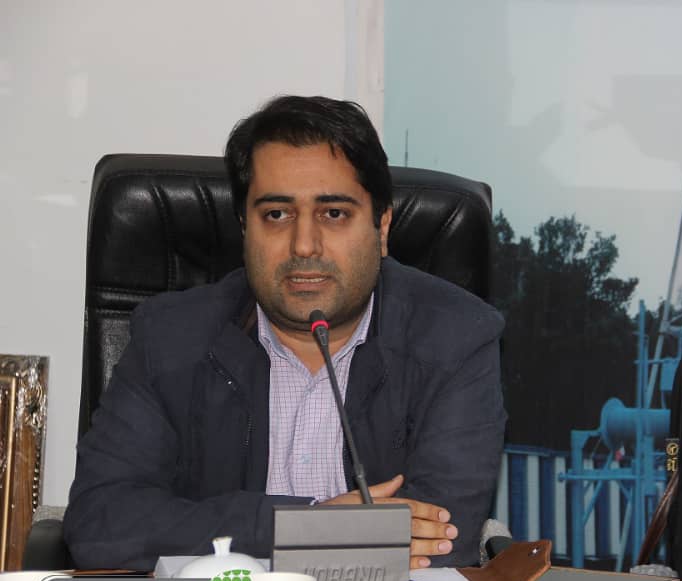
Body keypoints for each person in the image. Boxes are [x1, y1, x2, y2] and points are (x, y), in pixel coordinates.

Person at [63, 95, 506, 571]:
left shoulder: (457, 339)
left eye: (333, 213)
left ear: (381, 227)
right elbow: (100, 523)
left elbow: (441, 541)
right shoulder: (169, 337)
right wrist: (303, 527)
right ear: (244, 228)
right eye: (277, 214)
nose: (304, 245)